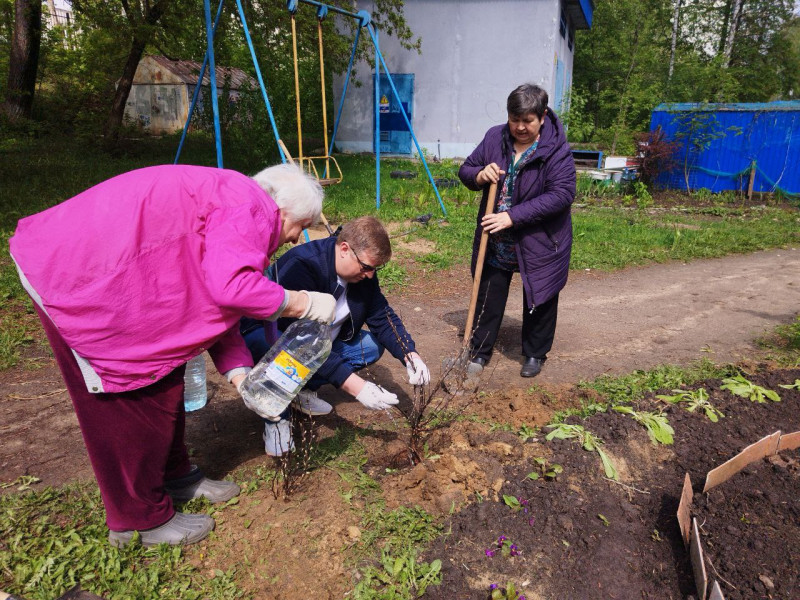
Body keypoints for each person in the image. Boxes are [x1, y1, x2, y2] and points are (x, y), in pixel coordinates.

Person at [8, 163, 336, 547]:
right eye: (301, 226)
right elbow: (232, 288)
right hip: (78, 278)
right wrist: (301, 302)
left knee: (166, 373)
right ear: (283, 211)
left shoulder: (235, 200)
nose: (297, 239)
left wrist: (239, 374)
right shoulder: (249, 207)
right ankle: (138, 519)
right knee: (132, 393)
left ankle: (175, 476)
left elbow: (217, 303)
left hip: (105, 270)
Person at [240, 216, 431, 456]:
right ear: (344, 249)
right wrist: (358, 387)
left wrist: (409, 354)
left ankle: (301, 390)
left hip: (320, 344)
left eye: (375, 269)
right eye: (366, 268)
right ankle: (277, 418)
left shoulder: (362, 274)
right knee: (284, 359)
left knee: (370, 346)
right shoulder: (303, 266)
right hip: (274, 339)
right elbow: (299, 343)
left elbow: (381, 315)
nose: (370, 275)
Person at [458, 83, 575, 378]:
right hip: (496, 238)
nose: (520, 127)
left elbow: (561, 194)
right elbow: (466, 169)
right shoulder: (494, 138)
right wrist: (478, 174)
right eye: (515, 120)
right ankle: (479, 351)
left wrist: (512, 216)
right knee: (488, 293)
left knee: (540, 295)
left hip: (540, 239)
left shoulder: (556, 149)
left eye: (528, 121)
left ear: (543, 117)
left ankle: (535, 353)